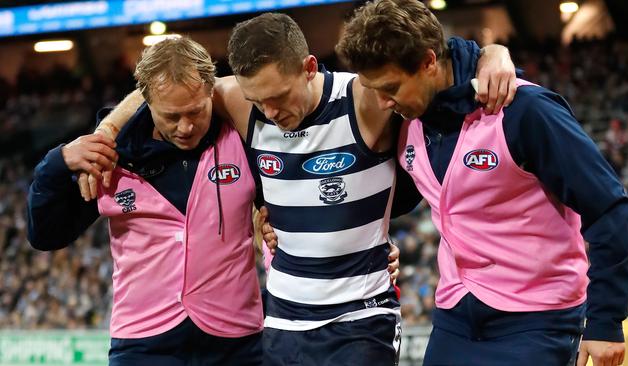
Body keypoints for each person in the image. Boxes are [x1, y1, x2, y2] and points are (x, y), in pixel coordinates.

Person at [83, 13, 516, 366]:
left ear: (310, 67)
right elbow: (160, 89)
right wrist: (105, 132)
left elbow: (423, 68)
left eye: (278, 96)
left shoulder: (363, 100)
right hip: (284, 319)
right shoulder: (240, 102)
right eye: (258, 100)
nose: (270, 112)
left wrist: (489, 55)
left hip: (360, 315)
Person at [334, 0, 628, 365]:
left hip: (537, 319)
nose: (382, 102)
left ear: (429, 62)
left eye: (391, 87)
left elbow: (610, 209)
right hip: (455, 316)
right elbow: (383, 199)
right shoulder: (408, 121)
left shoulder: (526, 111)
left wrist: (605, 321)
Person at [27, 37, 265, 366]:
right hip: (143, 345)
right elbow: (47, 235)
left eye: (196, 111)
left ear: (212, 93)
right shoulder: (112, 157)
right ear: (146, 102)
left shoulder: (241, 137)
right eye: (171, 116)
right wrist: (55, 164)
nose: (186, 126)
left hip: (236, 342)